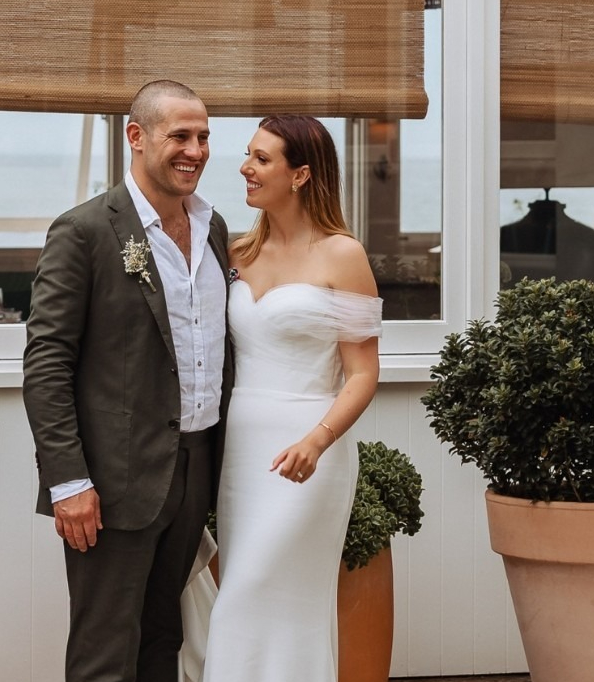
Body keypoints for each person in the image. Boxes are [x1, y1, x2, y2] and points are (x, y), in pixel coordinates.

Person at [23, 80, 232, 682]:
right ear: (136, 138)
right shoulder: (85, 231)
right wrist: (68, 481)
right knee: (105, 649)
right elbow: (47, 361)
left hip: (195, 467)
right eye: (180, 136)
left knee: (163, 636)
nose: (195, 150)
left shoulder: (215, 228)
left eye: (204, 137)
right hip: (112, 482)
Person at [201, 115, 382, 681]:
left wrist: (317, 441)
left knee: (256, 592)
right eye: (248, 155)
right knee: (248, 596)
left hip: (308, 454)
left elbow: (363, 373)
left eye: (261, 159)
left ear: (300, 174)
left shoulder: (343, 255)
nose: (244, 168)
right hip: (240, 455)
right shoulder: (234, 253)